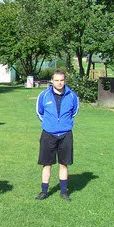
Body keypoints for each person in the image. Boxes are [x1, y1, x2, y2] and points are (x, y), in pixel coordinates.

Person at [35, 70, 79, 201]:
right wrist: (50, 124)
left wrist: (63, 124)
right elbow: (39, 112)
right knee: (46, 164)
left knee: (64, 164)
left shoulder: (72, 96)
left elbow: (74, 112)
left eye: (62, 80)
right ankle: (44, 191)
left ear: (64, 80)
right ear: (52, 81)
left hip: (66, 134)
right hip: (48, 134)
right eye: (57, 80)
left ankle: (64, 192)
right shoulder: (44, 95)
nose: (59, 83)